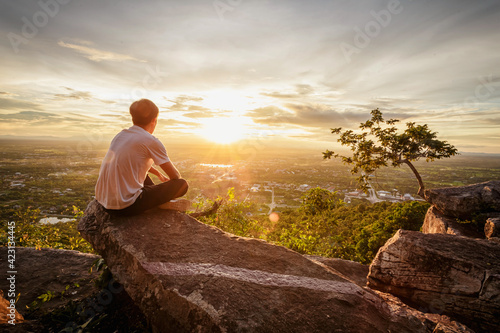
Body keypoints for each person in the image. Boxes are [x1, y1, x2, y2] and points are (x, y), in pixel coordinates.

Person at [95, 99, 188, 215]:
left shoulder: (120, 135)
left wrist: (159, 174)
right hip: (124, 207)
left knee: (142, 174)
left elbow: (133, 164)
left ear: (133, 118)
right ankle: (159, 203)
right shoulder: (151, 141)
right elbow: (175, 176)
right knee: (182, 184)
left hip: (104, 202)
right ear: (154, 121)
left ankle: (156, 201)